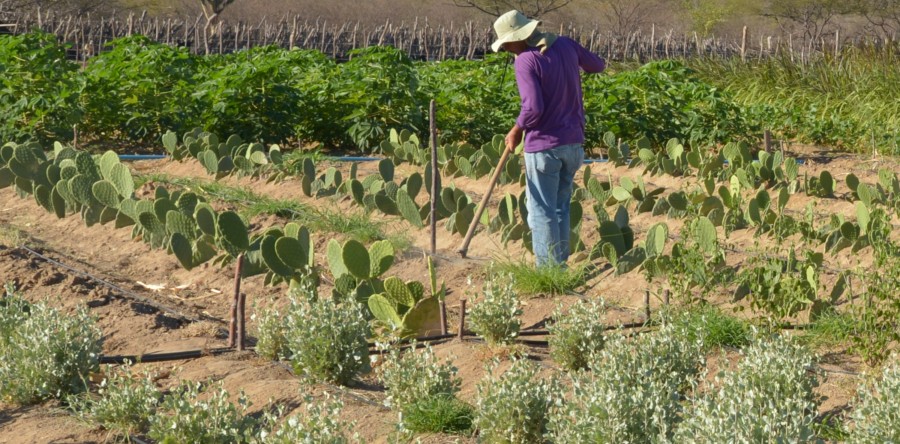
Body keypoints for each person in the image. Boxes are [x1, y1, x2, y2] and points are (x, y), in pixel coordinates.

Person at [491, 10, 606, 267]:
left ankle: (548, 272)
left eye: (508, 43)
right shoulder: (565, 44)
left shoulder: (525, 60)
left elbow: (533, 108)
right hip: (573, 144)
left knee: (542, 211)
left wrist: (516, 129)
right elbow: (598, 65)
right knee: (560, 208)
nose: (508, 49)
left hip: (544, 146)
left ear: (519, 37)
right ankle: (560, 267)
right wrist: (567, 60)